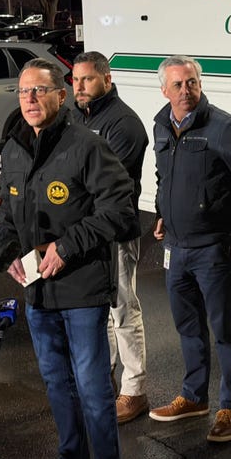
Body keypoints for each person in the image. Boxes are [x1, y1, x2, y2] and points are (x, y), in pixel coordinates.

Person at [0, 58, 135, 459]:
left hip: (82, 288)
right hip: (37, 291)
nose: (29, 99)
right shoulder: (14, 147)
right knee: (57, 383)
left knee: (92, 387)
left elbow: (121, 211)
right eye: (23, 91)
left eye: (39, 90)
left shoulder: (87, 145)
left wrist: (68, 246)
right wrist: (9, 252)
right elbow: (6, 212)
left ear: (61, 94)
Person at [148, 55, 231, 443]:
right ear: (164, 90)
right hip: (175, 248)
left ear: (200, 85)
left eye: (192, 82)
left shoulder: (223, 127)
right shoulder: (161, 125)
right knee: (188, 327)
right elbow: (164, 175)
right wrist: (163, 213)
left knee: (225, 331)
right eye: (177, 84)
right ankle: (194, 396)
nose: (186, 90)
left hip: (212, 249)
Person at [71, 51, 150, 425]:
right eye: (75, 80)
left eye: (87, 79)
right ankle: (104, 383)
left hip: (115, 232)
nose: (79, 86)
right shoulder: (77, 117)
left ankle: (134, 391)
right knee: (99, 313)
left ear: (107, 79)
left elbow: (100, 182)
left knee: (123, 310)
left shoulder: (124, 123)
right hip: (85, 231)